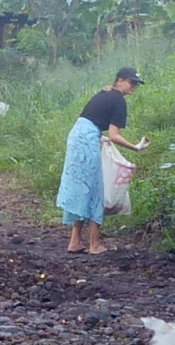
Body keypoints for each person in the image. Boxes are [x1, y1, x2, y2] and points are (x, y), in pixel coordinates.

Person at [56, 68, 149, 254]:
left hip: (77, 135)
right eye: (132, 82)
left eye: (136, 83)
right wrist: (135, 147)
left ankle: (75, 241)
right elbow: (115, 135)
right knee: (95, 189)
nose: (134, 86)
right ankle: (94, 244)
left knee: (81, 188)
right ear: (120, 80)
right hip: (86, 139)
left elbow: (88, 119)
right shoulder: (118, 100)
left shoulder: (104, 93)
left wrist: (98, 137)